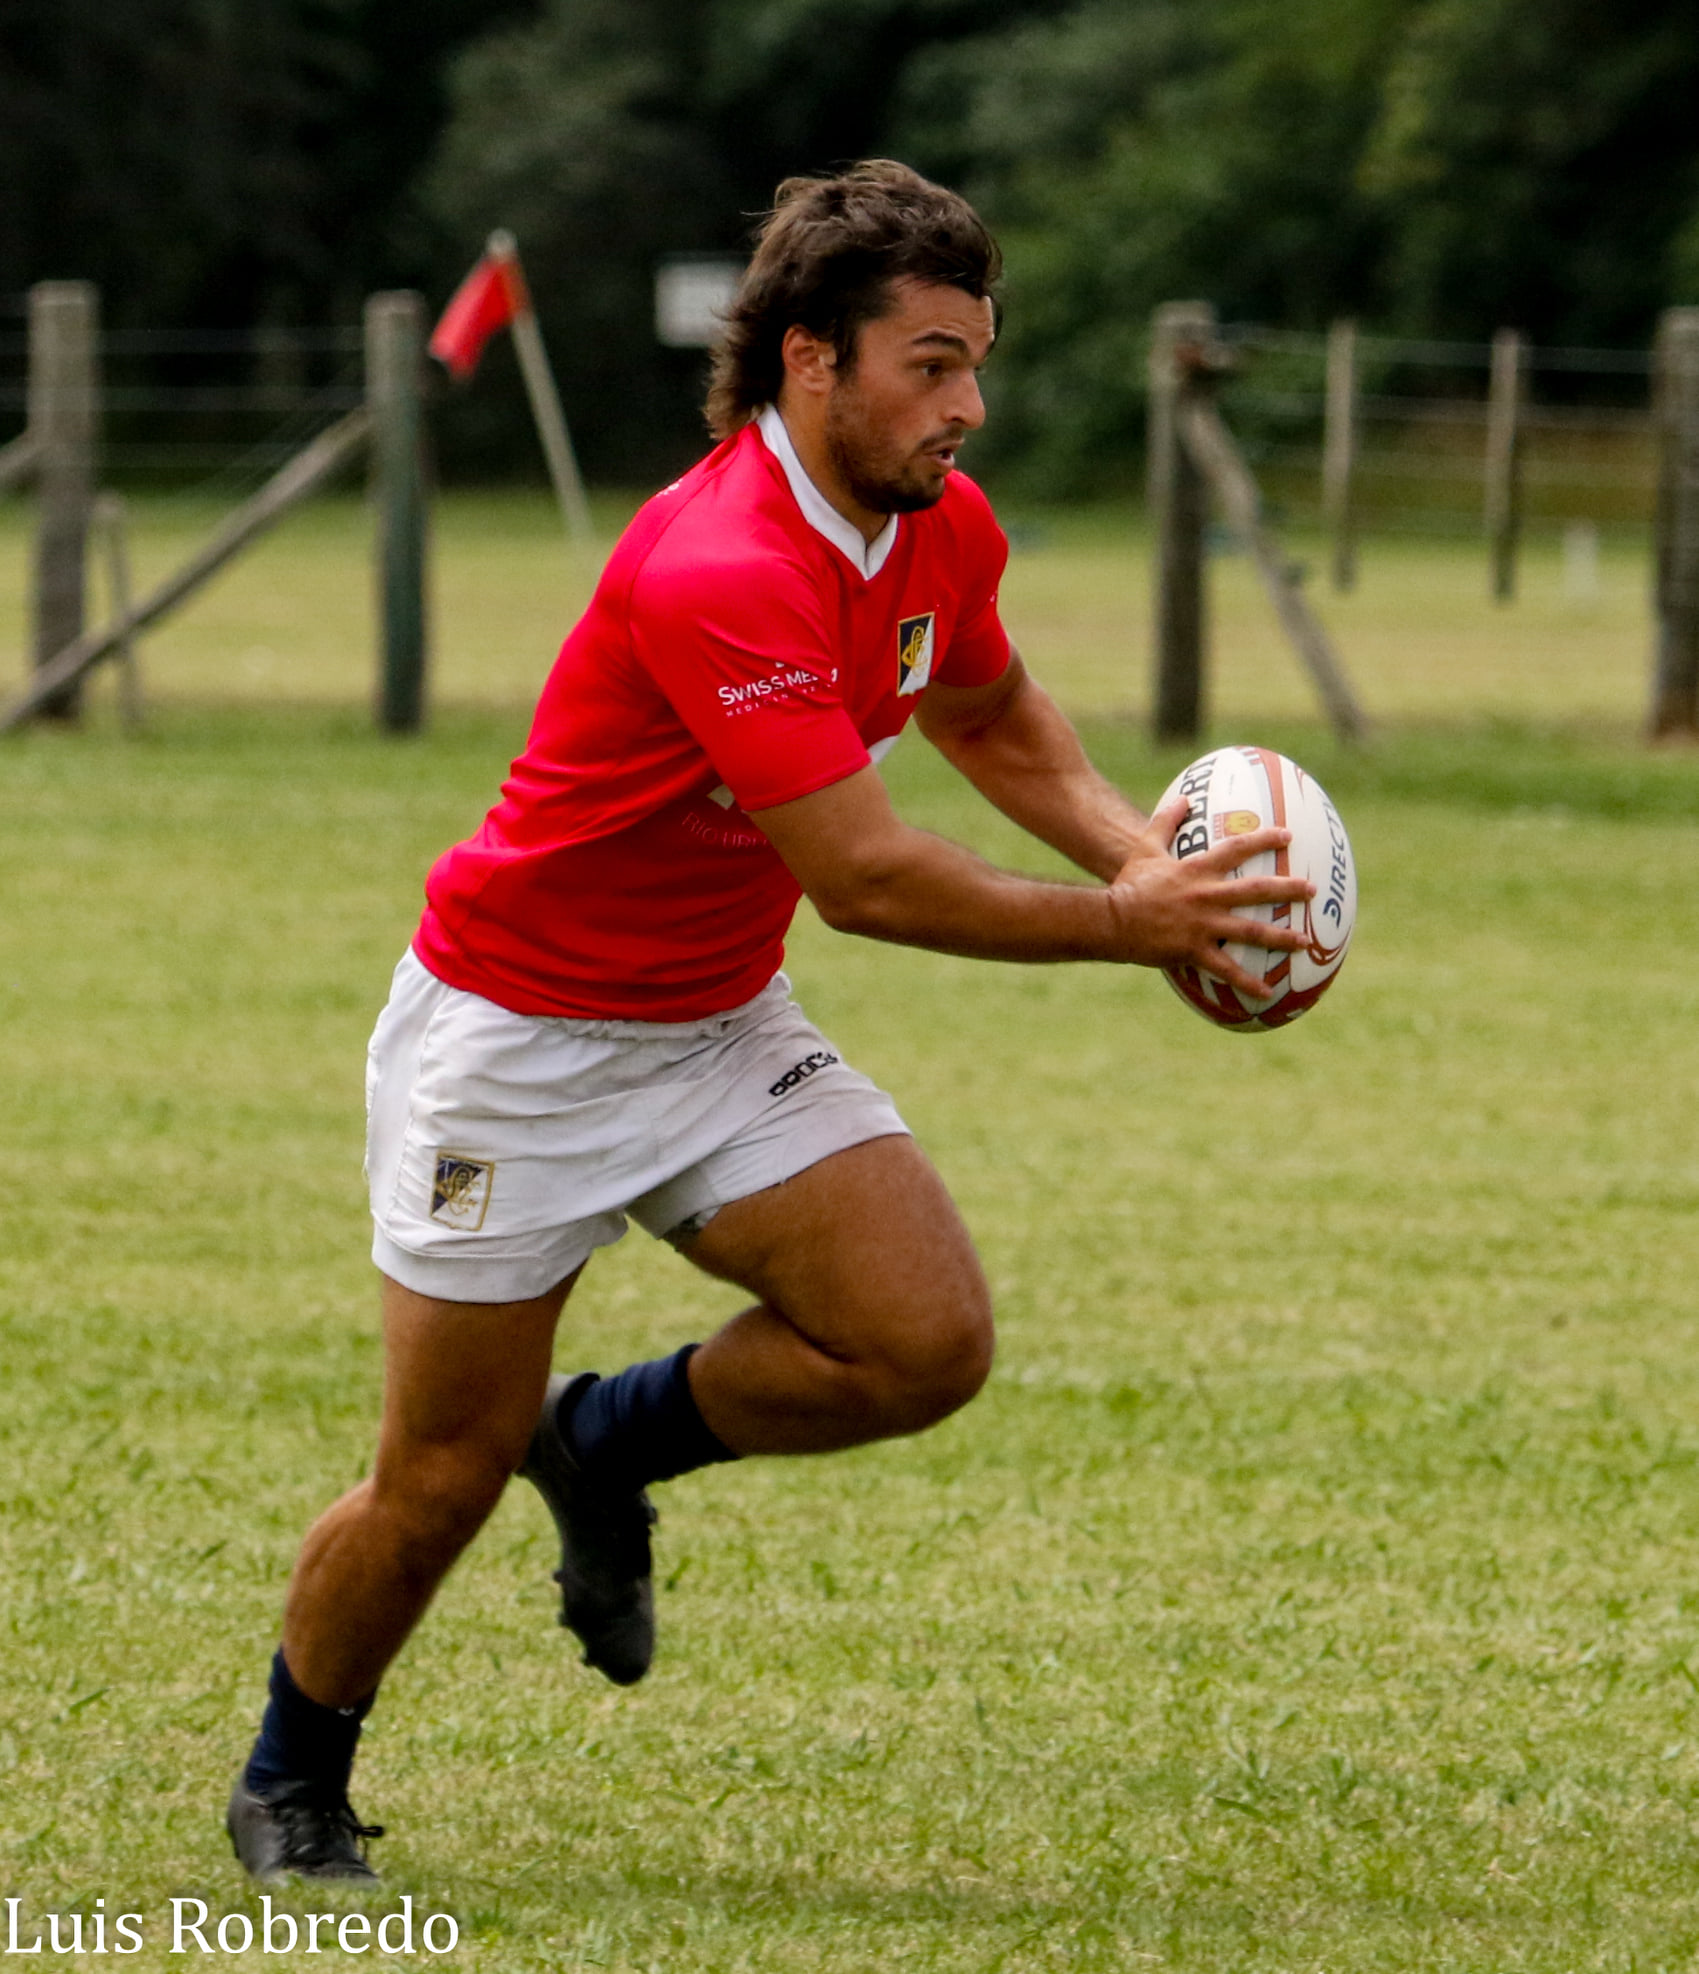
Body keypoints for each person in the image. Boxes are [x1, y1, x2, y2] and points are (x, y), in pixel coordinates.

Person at [226, 159, 1312, 1881]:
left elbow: (997, 712)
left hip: (715, 1018)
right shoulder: (722, 560)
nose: (968, 403)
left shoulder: (938, 521)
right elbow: (868, 874)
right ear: (814, 357)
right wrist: (1130, 923)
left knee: (920, 1338)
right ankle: (292, 1775)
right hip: (517, 1042)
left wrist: (1158, 861)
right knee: (438, 1472)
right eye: (930, 362)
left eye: (976, 360)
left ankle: (607, 1441)